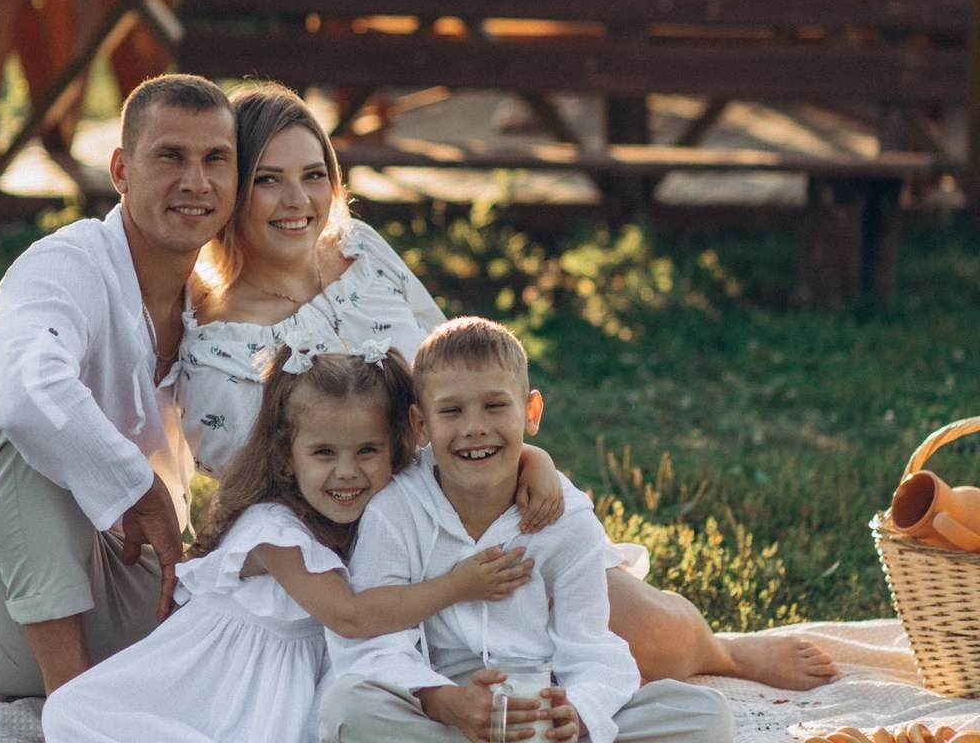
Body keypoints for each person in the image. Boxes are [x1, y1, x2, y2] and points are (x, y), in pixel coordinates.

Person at [178, 81, 837, 692]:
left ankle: (722, 654)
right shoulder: (218, 348)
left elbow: (455, 365)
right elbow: (283, 498)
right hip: (372, 559)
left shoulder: (359, 249)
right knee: (485, 673)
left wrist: (530, 458)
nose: (298, 201)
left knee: (652, 638)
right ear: (234, 188)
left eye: (313, 175)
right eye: (268, 181)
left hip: (481, 484)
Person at [0, 73, 239, 698]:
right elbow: (20, 392)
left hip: (130, 585)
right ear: (121, 170)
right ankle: (73, 709)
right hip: (7, 616)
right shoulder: (66, 263)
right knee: (21, 432)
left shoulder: (218, 309)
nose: (196, 181)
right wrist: (136, 487)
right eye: (171, 156)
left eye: (216, 160)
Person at [42, 346, 535, 743]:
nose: (347, 472)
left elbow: (459, 460)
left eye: (368, 450)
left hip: (291, 692)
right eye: (323, 453)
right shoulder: (272, 529)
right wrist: (459, 586)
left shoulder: (389, 507)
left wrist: (537, 465)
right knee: (74, 714)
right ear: (286, 457)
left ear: (397, 448)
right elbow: (350, 617)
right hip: (219, 685)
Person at [319, 317, 736, 743]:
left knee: (704, 715)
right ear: (421, 424)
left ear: (530, 412)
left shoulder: (566, 518)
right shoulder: (396, 511)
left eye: (495, 406)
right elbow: (373, 645)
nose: (474, 427)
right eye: (451, 410)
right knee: (349, 707)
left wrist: (577, 711)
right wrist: (445, 701)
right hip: (443, 708)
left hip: (540, 705)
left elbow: (591, 645)